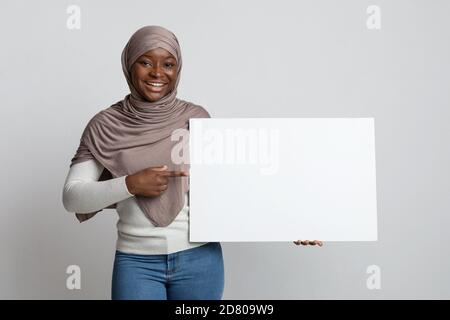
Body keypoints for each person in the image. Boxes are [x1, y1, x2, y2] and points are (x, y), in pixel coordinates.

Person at [62, 25, 322, 300]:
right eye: (146, 62)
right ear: (129, 65)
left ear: (178, 69)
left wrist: (291, 222)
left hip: (200, 260)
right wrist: (130, 184)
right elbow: (72, 198)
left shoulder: (196, 118)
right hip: (136, 263)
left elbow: (233, 189)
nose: (157, 73)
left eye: (169, 64)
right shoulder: (104, 124)